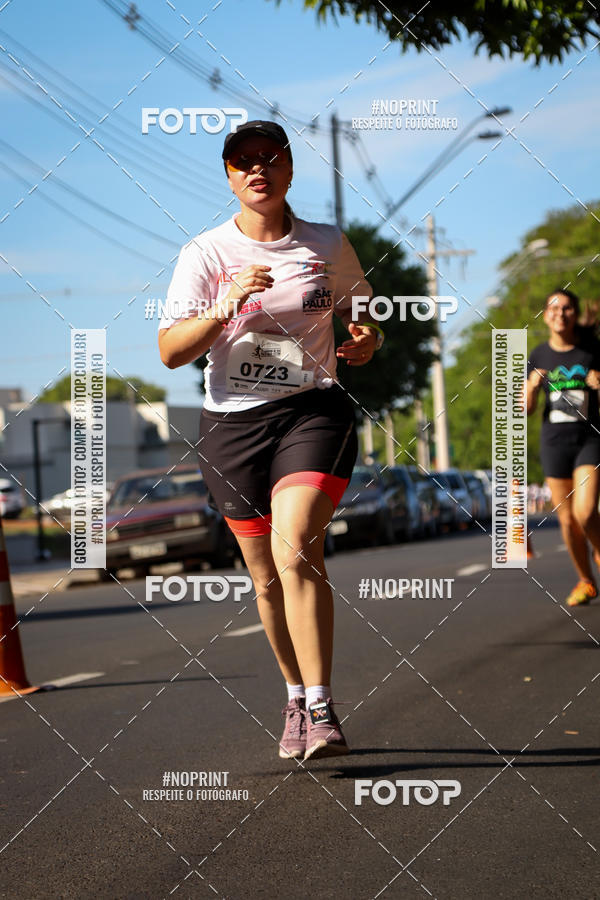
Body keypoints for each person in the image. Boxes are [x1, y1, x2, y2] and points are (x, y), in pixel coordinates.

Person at [158, 121, 380, 759]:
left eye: (269, 158)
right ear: (228, 175)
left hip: (313, 411)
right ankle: (293, 694)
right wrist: (226, 303)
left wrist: (366, 341)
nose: (258, 169)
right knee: (264, 579)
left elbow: (363, 318)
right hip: (233, 426)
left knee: (296, 548)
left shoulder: (328, 244)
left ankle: (321, 706)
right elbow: (172, 351)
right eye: (243, 161)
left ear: (289, 169)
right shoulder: (204, 253)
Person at [527, 289, 600, 606]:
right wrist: (530, 385)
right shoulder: (538, 355)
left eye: (567, 308)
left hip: (589, 440)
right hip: (554, 442)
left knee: (586, 513)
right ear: (545, 315)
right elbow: (524, 410)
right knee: (567, 520)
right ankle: (586, 581)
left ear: (575, 313)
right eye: (554, 308)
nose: (561, 313)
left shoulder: (592, 351)